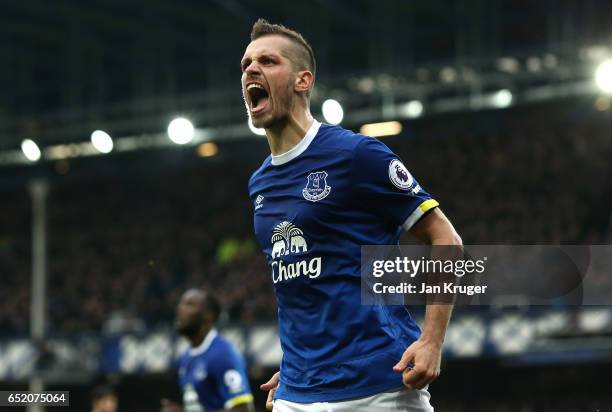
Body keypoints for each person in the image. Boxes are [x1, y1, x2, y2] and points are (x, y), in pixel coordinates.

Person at [243, 19, 461, 411]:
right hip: (298, 393)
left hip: (379, 388)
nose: (251, 70)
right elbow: (299, 292)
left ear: (302, 80)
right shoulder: (259, 183)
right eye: (246, 64)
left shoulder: (356, 155)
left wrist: (432, 340)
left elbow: (446, 238)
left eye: (268, 61)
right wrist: (294, 367)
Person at [161, 289, 254, 412]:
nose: (179, 309)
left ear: (209, 315)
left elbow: (243, 409)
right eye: (181, 304)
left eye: (189, 304)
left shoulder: (222, 354)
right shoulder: (186, 358)